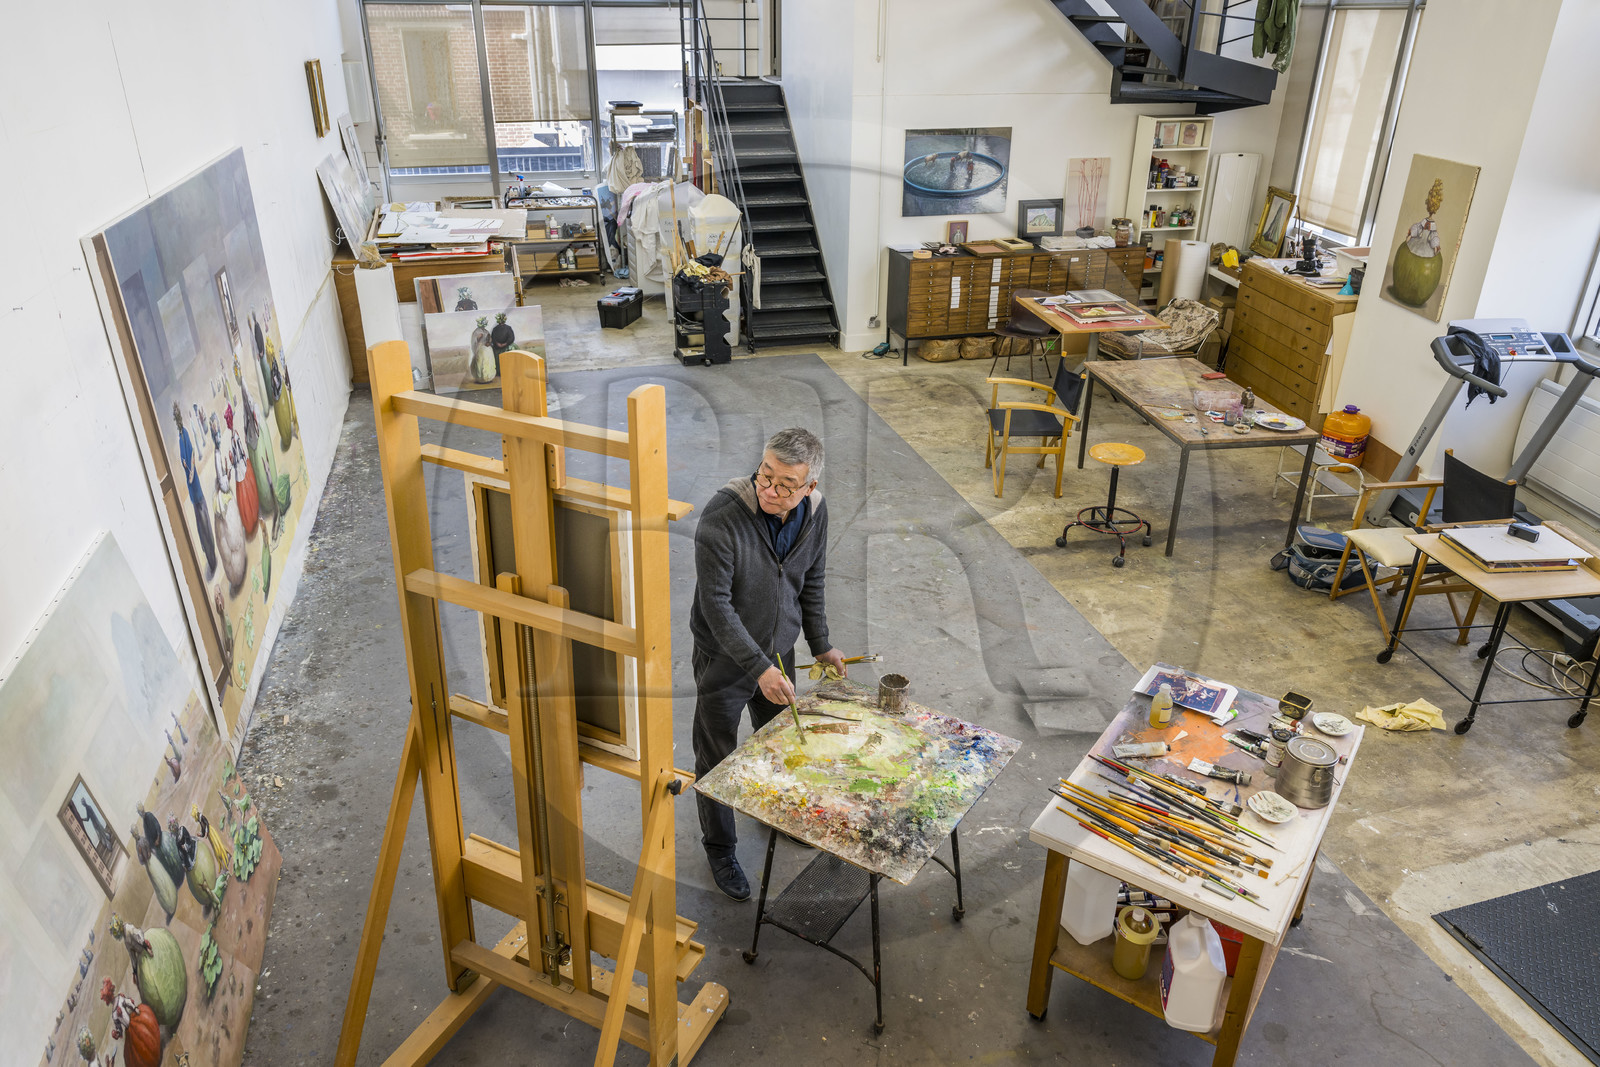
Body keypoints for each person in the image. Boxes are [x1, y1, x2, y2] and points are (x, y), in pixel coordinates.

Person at [690, 428, 847, 900]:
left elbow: (811, 579)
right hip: (725, 656)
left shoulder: (815, 514)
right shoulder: (723, 515)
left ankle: (775, 812)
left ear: (809, 488)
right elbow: (717, 606)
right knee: (717, 755)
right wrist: (759, 669)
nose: (769, 490)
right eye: (765, 475)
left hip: (781, 650)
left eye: (785, 485)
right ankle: (720, 847)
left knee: (779, 741)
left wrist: (820, 644)